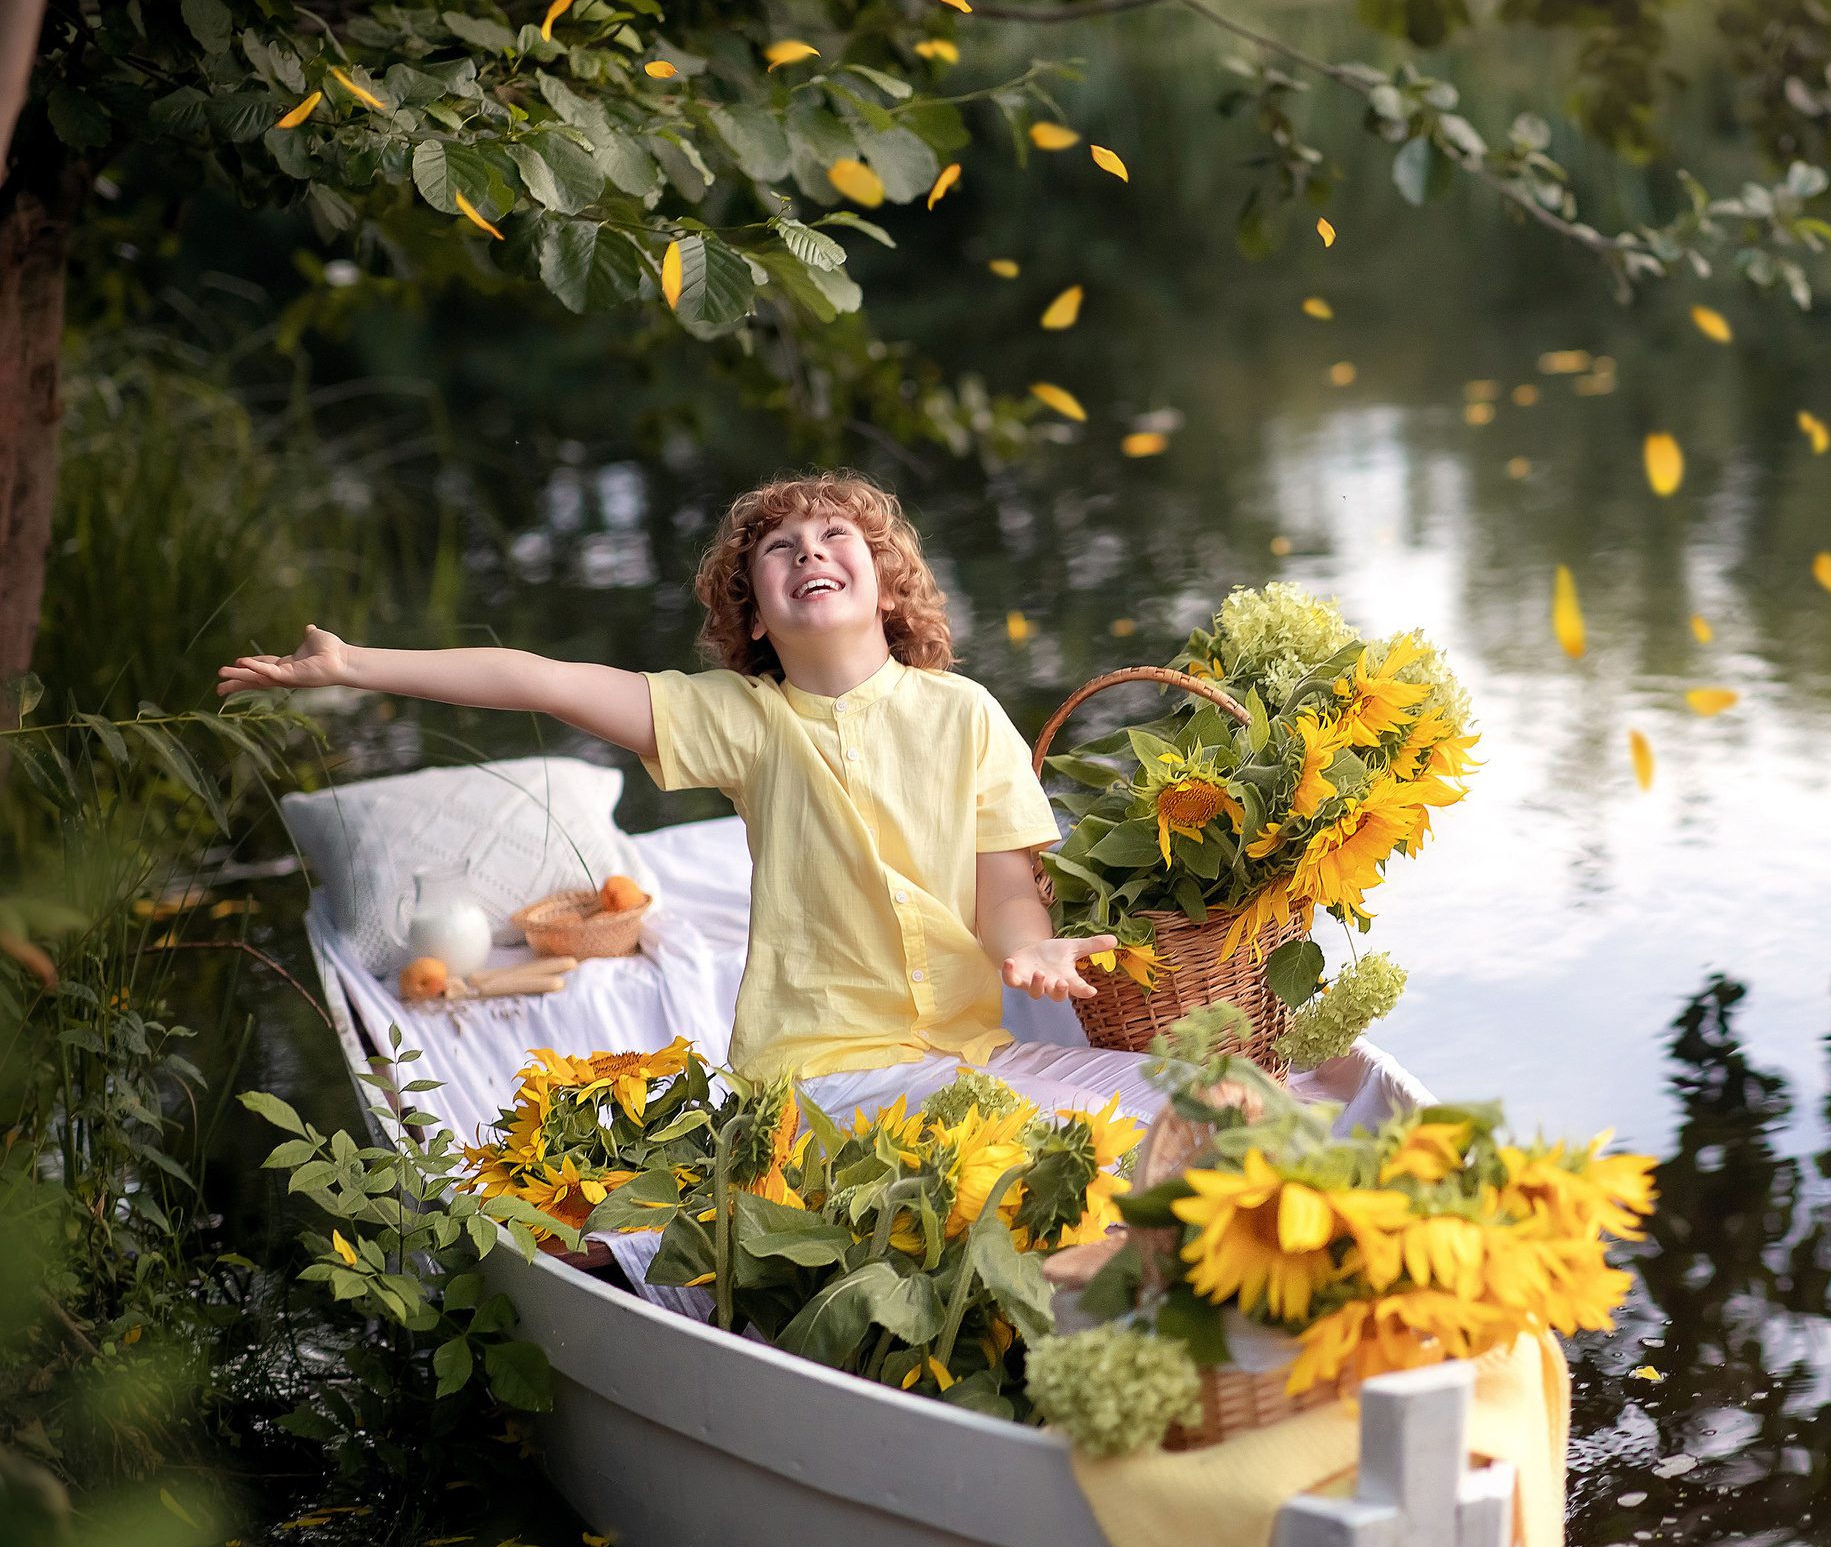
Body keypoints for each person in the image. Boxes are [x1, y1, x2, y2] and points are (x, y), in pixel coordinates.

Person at [217, 470, 1166, 1129]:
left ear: (886, 591)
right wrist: (352, 664)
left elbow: (1005, 892)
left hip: (970, 1054)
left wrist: (1029, 947)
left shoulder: (967, 713)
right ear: (756, 613)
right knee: (1036, 1156)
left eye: (837, 537)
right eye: (781, 548)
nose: (810, 551)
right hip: (819, 1077)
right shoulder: (739, 719)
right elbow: (542, 678)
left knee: (1175, 1109)